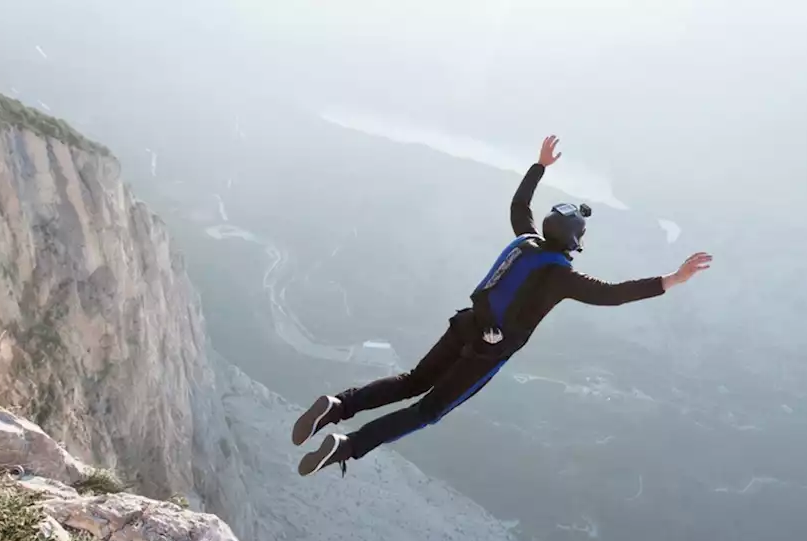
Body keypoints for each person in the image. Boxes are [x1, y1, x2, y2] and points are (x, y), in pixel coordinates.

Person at [294, 135, 712, 476]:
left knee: (411, 381)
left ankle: (338, 406)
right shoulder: (561, 276)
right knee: (426, 410)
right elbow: (612, 293)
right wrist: (671, 280)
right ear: (574, 241)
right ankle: (348, 446)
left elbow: (519, 206)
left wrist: (540, 166)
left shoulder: (525, 240)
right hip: (487, 350)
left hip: (466, 324)